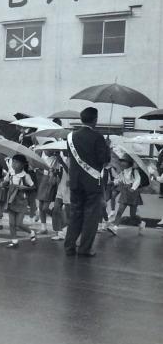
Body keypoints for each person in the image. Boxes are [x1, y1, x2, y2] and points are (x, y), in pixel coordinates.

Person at [64, 107, 110, 257]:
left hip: (76, 182)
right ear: (95, 120)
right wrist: (107, 147)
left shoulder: (71, 137)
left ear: (82, 119)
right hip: (92, 183)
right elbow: (103, 160)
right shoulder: (98, 137)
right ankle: (85, 249)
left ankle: (69, 246)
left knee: (75, 214)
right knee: (91, 217)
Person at [3, 154, 37, 248]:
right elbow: (5, 182)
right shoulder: (10, 173)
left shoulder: (26, 176)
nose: (14, 164)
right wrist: (3, 184)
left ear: (22, 165)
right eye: (13, 162)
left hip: (21, 201)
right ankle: (14, 241)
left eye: (17, 162)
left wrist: (24, 187)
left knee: (19, 223)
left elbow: (33, 187)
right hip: (11, 200)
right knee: (11, 223)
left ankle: (32, 232)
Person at [107, 154, 146, 235]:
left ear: (129, 163)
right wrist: (113, 182)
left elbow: (137, 180)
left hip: (133, 193)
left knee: (132, 215)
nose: (122, 163)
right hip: (125, 193)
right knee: (120, 210)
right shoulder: (123, 172)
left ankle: (141, 223)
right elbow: (118, 179)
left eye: (124, 161)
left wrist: (133, 188)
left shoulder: (134, 171)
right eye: (121, 161)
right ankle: (115, 228)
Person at [35, 150, 59, 234]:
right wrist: (42, 170)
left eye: (46, 150)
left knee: (45, 207)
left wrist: (52, 171)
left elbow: (58, 171)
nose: (44, 152)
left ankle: (58, 219)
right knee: (41, 205)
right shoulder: (44, 158)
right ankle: (43, 228)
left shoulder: (57, 159)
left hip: (51, 181)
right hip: (44, 180)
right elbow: (41, 170)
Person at [51, 151, 71, 241]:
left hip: (69, 188)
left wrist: (62, 162)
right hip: (61, 186)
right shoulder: (65, 159)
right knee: (56, 210)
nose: (64, 151)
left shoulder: (73, 160)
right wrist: (56, 173)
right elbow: (64, 173)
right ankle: (59, 232)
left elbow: (71, 172)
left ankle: (66, 232)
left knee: (68, 213)